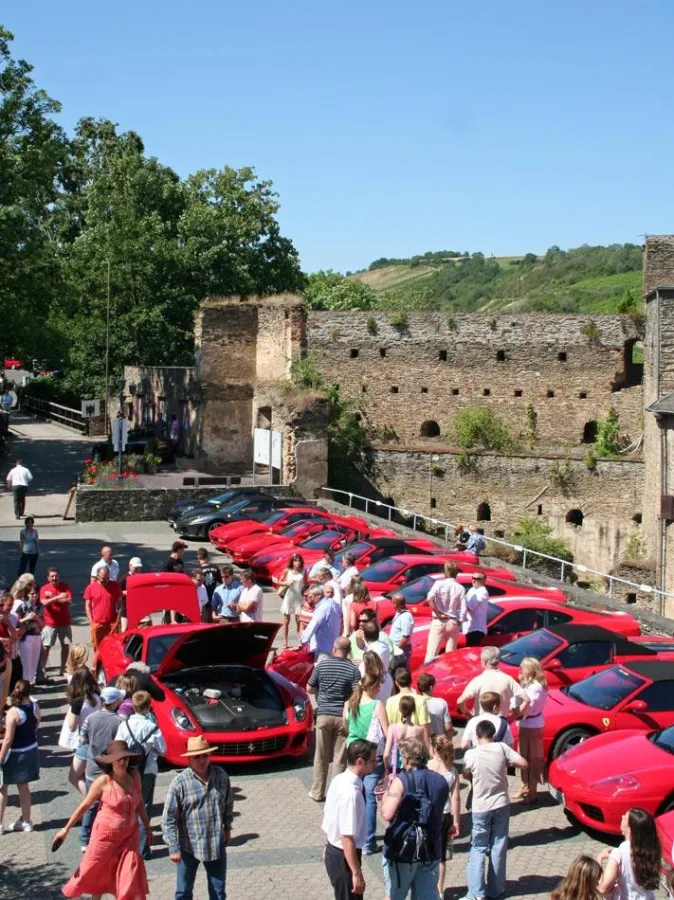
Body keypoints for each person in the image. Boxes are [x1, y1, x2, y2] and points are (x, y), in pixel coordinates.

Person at [56, 739, 150, 900]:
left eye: (125, 758)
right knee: (96, 871)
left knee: (129, 874)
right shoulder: (104, 781)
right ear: (111, 762)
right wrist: (65, 829)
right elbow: (84, 806)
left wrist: (147, 828)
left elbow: (139, 803)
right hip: (105, 836)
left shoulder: (134, 776)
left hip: (129, 836)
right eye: (119, 759)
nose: (123, 762)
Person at [460, 720, 528, 900]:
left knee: (478, 847)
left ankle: (476, 893)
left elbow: (466, 773)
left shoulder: (471, 754)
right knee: (499, 846)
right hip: (502, 804)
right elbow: (523, 763)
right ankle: (496, 889)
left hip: (480, 807)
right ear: (493, 734)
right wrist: (505, 764)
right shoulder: (501, 748)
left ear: (477, 735)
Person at [162, 735, 234, 900]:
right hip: (188, 847)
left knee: (218, 892)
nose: (202, 760)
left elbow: (228, 803)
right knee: (183, 892)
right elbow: (168, 819)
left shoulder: (220, 775)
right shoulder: (179, 783)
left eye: (205, 756)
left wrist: (228, 827)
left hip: (215, 844)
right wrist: (173, 848)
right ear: (189, 760)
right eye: (197, 757)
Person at [380, 737, 449, 900]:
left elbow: (387, 813)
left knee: (393, 895)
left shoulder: (401, 780)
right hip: (431, 847)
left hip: (404, 849)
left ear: (407, 759)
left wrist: (385, 798)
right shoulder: (440, 781)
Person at [321, 739, 376, 900]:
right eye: (372, 761)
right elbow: (347, 837)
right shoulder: (350, 795)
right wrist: (356, 873)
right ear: (360, 762)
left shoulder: (339, 779)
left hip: (337, 852)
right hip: (343, 857)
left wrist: (328, 843)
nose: (375, 764)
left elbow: (331, 818)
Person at [307, 636, 360, 802]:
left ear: (334, 648)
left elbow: (309, 687)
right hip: (342, 717)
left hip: (323, 715)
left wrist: (321, 694)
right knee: (339, 758)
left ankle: (317, 792)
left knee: (321, 756)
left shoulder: (322, 665)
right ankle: (335, 793)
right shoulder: (352, 670)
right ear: (349, 651)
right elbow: (356, 694)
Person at [116, 690, 167, 860]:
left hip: (127, 770)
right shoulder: (151, 727)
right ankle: (143, 849)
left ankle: (125, 845)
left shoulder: (124, 725)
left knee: (126, 807)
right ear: (148, 707)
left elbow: (117, 746)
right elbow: (163, 749)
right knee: (144, 807)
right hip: (147, 770)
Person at [343, 674, 389, 855]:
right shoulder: (377, 705)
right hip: (371, 754)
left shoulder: (349, 704)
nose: (379, 690)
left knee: (354, 794)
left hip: (353, 752)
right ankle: (368, 842)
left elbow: (345, 726)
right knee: (370, 798)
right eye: (378, 687)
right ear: (371, 687)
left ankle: (352, 835)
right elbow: (386, 732)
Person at [78, 685, 126, 850]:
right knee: (111, 803)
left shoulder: (90, 718)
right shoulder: (119, 722)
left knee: (90, 803)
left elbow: (82, 739)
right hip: (110, 769)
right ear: (114, 703)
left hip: (92, 767)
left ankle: (84, 838)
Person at [0, 679, 40, 833]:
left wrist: (1, 757)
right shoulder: (35, 707)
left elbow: (9, 739)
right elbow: (36, 725)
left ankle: (0, 824)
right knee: (24, 788)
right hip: (31, 750)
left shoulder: (13, 712)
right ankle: (27, 821)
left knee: (3, 789)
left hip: (15, 754)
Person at [596, 808, 660, 900]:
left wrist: (600, 858)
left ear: (631, 828)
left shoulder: (619, 852)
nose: (622, 817)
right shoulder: (652, 849)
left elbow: (604, 887)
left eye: (625, 818)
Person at [429, 734, 461, 899]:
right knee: (442, 857)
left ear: (433, 749)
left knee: (428, 855)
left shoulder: (428, 767)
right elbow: (455, 797)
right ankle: (440, 890)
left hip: (429, 816)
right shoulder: (452, 770)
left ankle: (427, 888)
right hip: (446, 815)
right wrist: (456, 821)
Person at [60, 668, 102, 794]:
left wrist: (69, 715)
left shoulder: (78, 702)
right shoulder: (98, 697)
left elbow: (72, 727)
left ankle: (92, 800)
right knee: (90, 776)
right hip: (99, 740)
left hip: (85, 743)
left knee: (73, 777)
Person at [512, 656, 547, 803]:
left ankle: (532, 792)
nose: (520, 669)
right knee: (522, 756)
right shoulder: (527, 684)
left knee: (532, 759)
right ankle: (524, 785)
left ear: (531, 670)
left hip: (532, 725)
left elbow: (524, 708)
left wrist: (514, 711)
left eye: (523, 667)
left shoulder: (536, 688)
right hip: (525, 724)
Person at [457, 645, 526, 718]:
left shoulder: (477, 680)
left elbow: (460, 701)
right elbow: (526, 700)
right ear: (498, 662)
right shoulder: (508, 679)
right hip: (501, 722)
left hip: (482, 723)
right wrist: (512, 717)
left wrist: (469, 715)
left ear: (484, 662)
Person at [424, 560, 466, 662]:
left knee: (431, 653)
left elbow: (429, 598)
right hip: (452, 621)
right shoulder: (460, 588)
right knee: (450, 655)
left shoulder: (439, 584)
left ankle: (426, 675)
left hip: (438, 620)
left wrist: (438, 613)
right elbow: (464, 609)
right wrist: (459, 621)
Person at [39, 567, 73, 678]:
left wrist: (52, 597)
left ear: (59, 576)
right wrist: (58, 597)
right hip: (49, 623)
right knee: (46, 647)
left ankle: (63, 668)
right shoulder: (44, 588)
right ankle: (42, 670)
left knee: (65, 646)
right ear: (48, 578)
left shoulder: (65, 587)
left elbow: (68, 601)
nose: (54, 578)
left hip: (64, 622)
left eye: (56, 576)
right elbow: (44, 603)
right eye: (52, 576)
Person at [385, 668, 430, 748]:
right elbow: (424, 727)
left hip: (397, 745)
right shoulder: (421, 700)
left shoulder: (390, 701)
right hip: (415, 746)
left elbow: (389, 725)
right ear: (411, 681)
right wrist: (428, 748)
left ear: (396, 683)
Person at [383, 695, 426, 776]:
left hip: (396, 769)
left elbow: (386, 754)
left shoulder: (393, 728)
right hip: (412, 768)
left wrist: (386, 770)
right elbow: (420, 753)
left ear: (400, 709)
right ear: (413, 710)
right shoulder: (419, 730)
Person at [84, 565, 123, 651]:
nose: (104, 580)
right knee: (97, 647)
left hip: (112, 622)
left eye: (106, 578)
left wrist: (117, 620)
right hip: (97, 623)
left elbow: (120, 604)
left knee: (114, 646)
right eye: (102, 578)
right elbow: (87, 605)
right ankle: (97, 663)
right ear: (97, 576)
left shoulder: (115, 586)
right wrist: (91, 622)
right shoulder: (91, 588)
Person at [300, 583, 342, 662]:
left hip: (324, 648)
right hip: (333, 645)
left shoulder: (322, 607)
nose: (311, 599)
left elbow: (314, 623)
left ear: (318, 595)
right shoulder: (334, 604)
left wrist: (303, 640)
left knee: (321, 671)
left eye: (312, 596)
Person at [13, 583, 43, 685]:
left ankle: (28, 687)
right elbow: (15, 621)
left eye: (36, 594)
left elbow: (43, 624)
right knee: (26, 664)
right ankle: (26, 689)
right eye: (32, 594)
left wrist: (38, 619)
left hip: (37, 637)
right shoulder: (23, 605)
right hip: (26, 638)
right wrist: (27, 618)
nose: (35, 596)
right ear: (27, 594)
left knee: (33, 664)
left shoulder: (39, 606)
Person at [278, 553, 307, 647]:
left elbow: (306, 584)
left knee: (299, 620)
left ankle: (300, 640)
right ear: (292, 562)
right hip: (289, 597)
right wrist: (286, 583)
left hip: (299, 598)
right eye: (295, 560)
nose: (297, 562)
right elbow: (279, 581)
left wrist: (306, 594)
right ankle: (285, 641)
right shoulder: (287, 570)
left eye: (298, 560)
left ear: (301, 562)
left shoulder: (304, 571)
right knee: (286, 621)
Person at [417, 673, 452, 738]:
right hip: (439, 741)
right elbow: (448, 727)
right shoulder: (441, 702)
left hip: (423, 742)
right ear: (431, 687)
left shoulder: (416, 702)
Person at [461, 571, 490, 646]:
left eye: (476, 578)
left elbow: (470, 607)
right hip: (469, 627)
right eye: (472, 578)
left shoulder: (482, 592)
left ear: (483, 580)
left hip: (476, 629)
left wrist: (460, 599)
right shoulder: (472, 590)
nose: (473, 580)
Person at [388, 592, 414, 671]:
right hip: (397, 648)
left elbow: (405, 638)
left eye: (392, 602)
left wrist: (397, 650)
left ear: (396, 604)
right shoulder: (399, 612)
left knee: (401, 671)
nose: (391, 604)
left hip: (402, 649)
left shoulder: (406, 617)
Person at [0, 592, 21, 691]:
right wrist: (3, 640)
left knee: (11, 683)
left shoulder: (12, 617)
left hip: (11, 655)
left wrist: (7, 622)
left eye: (12, 605)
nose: (11, 608)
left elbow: (15, 636)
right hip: (2, 656)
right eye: (9, 605)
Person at [118, 556, 142, 632]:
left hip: (139, 608)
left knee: (142, 627)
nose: (137, 569)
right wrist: (125, 592)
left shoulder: (141, 578)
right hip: (126, 609)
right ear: (130, 566)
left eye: (138, 567)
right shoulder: (124, 578)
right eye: (135, 567)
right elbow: (116, 592)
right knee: (124, 629)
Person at [196, 547, 222, 615]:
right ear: (207, 556)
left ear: (199, 557)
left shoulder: (199, 570)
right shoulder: (215, 568)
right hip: (214, 596)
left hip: (203, 598)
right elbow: (221, 582)